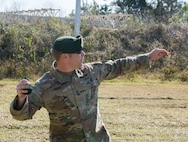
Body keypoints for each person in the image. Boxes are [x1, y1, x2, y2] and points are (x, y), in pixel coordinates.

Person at [10, 35, 170, 142]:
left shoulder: (91, 72)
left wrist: (148, 57)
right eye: (79, 52)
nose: (83, 54)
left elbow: (118, 65)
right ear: (65, 57)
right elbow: (22, 115)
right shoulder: (43, 85)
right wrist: (21, 99)